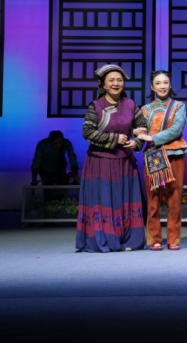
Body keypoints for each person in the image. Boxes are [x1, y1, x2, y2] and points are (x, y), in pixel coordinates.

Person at [75, 64, 147, 253]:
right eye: (111, 80)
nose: (116, 83)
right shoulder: (96, 106)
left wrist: (137, 142)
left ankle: (129, 240)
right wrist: (114, 139)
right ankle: (105, 239)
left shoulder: (131, 105)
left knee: (125, 202)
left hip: (125, 162)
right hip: (101, 162)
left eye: (119, 80)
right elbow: (87, 132)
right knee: (105, 202)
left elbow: (142, 127)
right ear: (103, 84)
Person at [134, 70, 187, 251]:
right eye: (158, 83)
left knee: (175, 199)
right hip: (154, 156)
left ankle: (173, 239)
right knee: (153, 199)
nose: (162, 86)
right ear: (152, 87)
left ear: (170, 85)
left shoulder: (178, 106)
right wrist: (134, 135)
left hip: (175, 154)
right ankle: (155, 239)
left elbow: (176, 130)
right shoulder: (144, 109)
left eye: (165, 82)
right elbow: (139, 132)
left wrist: (153, 138)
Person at [31, 130, 80, 202]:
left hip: (60, 167)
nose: (58, 145)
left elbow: (72, 159)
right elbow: (36, 161)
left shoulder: (67, 143)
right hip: (45, 169)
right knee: (48, 191)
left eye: (60, 143)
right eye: (55, 143)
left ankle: (60, 206)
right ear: (50, 142)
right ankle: (49, 207)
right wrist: (34, 179)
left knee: (62, 189)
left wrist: (75, 180)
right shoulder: (42, 144)